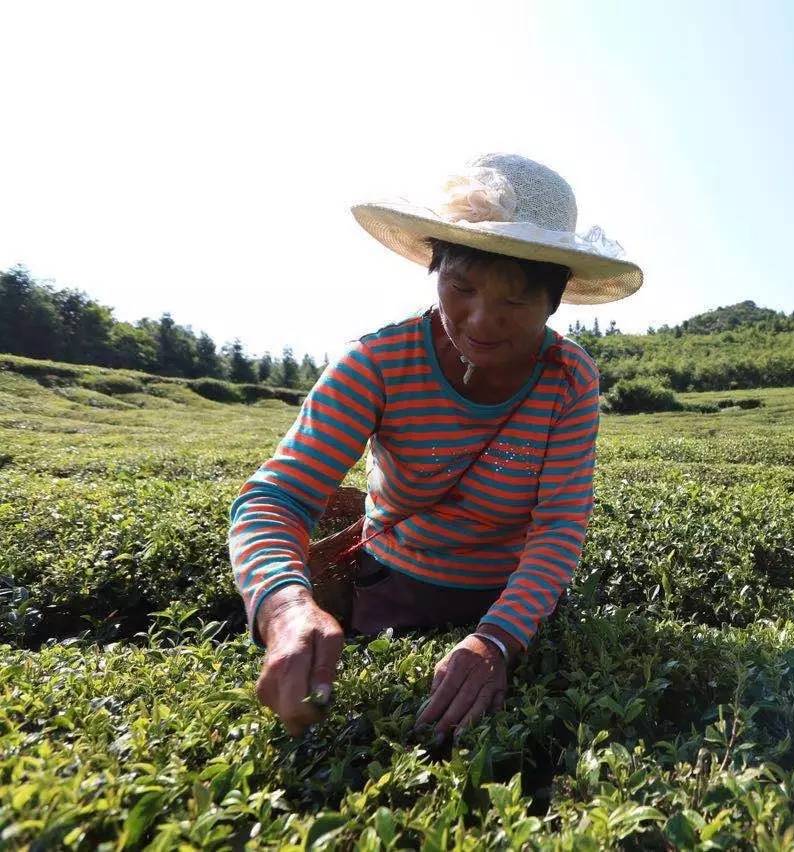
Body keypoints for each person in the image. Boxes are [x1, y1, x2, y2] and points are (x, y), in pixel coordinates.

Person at [228, 153, 642, 738]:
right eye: (461, 286)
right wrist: (284, 606)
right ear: (434, 271)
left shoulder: (570, 378)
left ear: (554, 300)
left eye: (514, 301)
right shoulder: (376, 365)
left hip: (510, 599)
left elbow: (557, 526)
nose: (479, 319)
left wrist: (498, 638)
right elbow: (277, 498)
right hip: (394, 586)